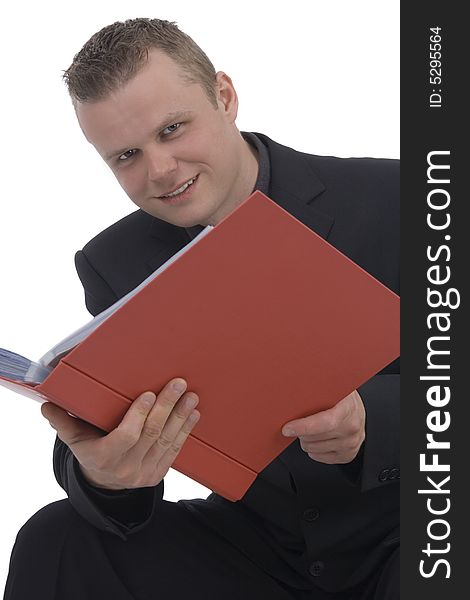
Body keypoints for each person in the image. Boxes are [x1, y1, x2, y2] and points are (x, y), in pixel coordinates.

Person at [4, 18, 399, 600]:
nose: (159, 170)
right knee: (56, 537)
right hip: (259, 549)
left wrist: (373, 421)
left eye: (173, 129)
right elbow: (111, 415)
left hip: (412, 529)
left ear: (225, 96)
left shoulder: (398, 198)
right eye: (126, 156)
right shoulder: (113, 262)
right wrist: (105, 476)